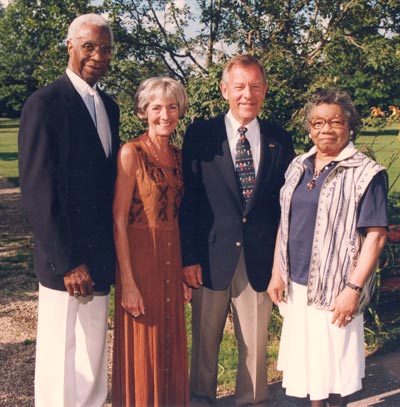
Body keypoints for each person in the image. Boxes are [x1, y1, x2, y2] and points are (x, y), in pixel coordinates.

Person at [179, 54, 295, 405]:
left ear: (265, 90)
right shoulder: (201, 135)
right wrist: (189, 259)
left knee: (254, 347)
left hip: (259, 260)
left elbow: (284, 207)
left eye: (256, 86)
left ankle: (253, 402)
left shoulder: (278, 138)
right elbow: (189, 201)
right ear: (224, 90)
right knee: (203, 346)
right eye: (240, 86)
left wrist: (280, 266)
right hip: (210, 259)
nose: (248, 94)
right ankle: (200, 401)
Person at [18, 14, 120, 407]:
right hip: (66, 259)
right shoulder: (44, 103)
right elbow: (38, 189)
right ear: (70, 47)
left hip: (100, 257)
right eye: (89, 46)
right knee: (60, 358)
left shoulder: (108, 106)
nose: (97, 55)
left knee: (93, 355)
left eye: (105, 48)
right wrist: (68, 261)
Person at [267, 89, 388, 407]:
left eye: (335, 121)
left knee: (334, 377)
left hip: (336, 290)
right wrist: (276, 273)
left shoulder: (365, 172)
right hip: (297, 287)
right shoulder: (298, 165)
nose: (326, 129)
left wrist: (352, 289)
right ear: (309, 128)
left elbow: (376, 236)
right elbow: (286, 220)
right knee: (308, 374)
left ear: (350, 126)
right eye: (318, 122)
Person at [112, 77, 191, 407]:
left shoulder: (178, 155)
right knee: (145, 343)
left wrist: (186, 271)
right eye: (157, 107)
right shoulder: (131, 152)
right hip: (142, 261)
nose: (165, 115)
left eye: (172, 107)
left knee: (169, 342)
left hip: (172, 257)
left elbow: (181, 216)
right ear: (144, 111)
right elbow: (117, 220)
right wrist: (127, 283)